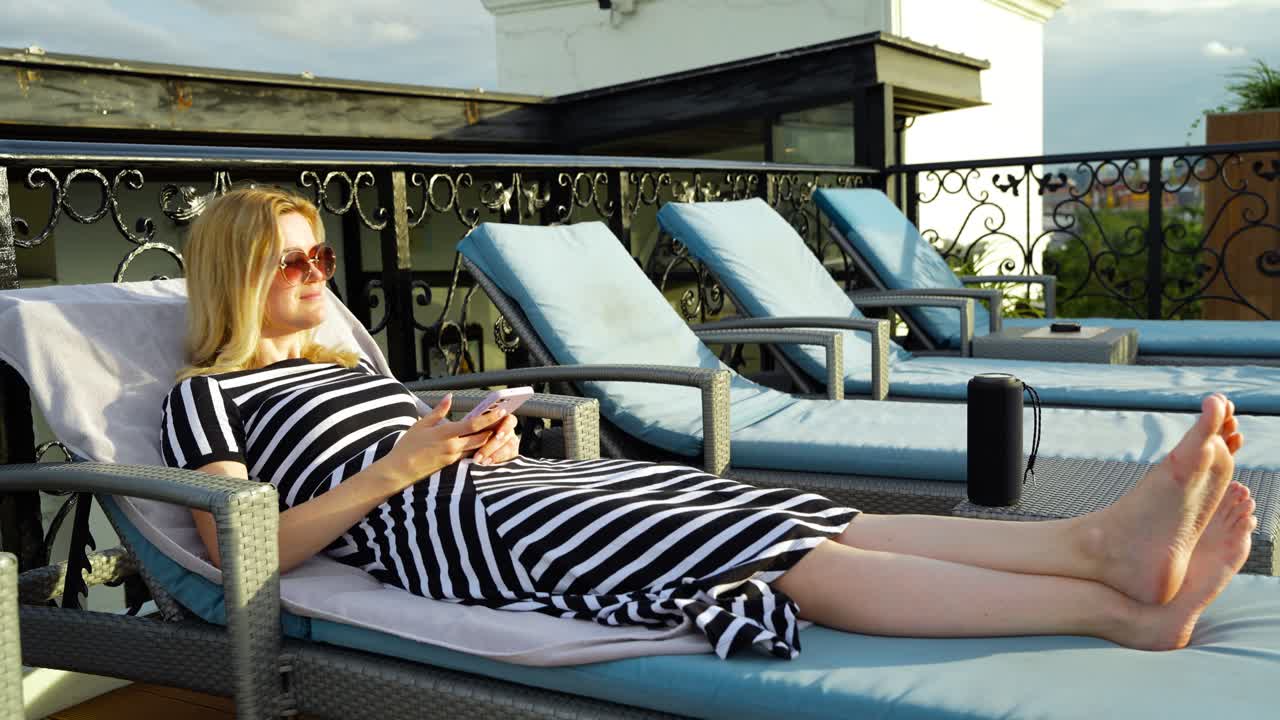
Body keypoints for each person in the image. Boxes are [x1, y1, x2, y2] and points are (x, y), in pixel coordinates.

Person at [162, 187, 1257, 660]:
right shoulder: (207, 396)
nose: (317, 272)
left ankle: (1091, 546)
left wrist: (472, 440)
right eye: (292, 260)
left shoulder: (343, 359)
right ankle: (1113, 616)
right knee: (779, 560)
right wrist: (402, 470)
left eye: (320, 255)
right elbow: (238, 546)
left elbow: (408, 450)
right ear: (234, 276)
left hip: (514, 493)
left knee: (809, 511)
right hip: (456, 541)